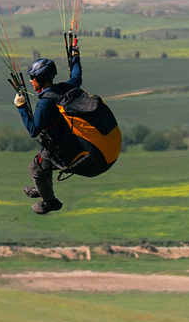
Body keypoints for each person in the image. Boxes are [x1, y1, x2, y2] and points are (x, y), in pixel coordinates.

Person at [9, 33, 121, 214]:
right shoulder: (66, 87)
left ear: (39, 79)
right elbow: (77, 76)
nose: (30, 81)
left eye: (32, 78)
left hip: (75, 153)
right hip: (92, 150)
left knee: (36, 168)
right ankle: (43, 189)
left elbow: (33, 130)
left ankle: (49, 202)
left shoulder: (45, 103)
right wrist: (75, 57)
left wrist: (21, 107)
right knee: (44, 161)